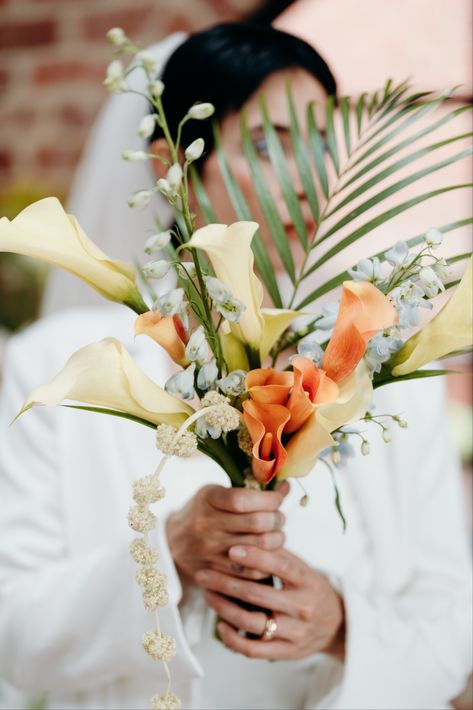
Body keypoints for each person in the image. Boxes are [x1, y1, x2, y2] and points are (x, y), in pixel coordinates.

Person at [0, 21, 471, 710]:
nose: (310, 173)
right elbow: (13, 627)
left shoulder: (384, 369)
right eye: (267, 145)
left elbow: (455, 627)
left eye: (320, 139)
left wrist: (344, 626)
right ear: (175, 165)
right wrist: (171, 553)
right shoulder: (60, 367)